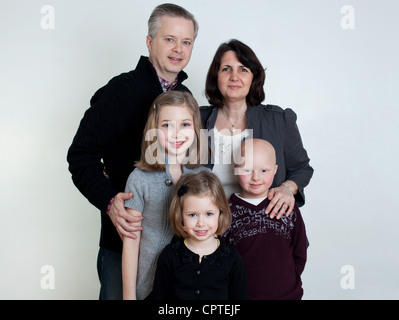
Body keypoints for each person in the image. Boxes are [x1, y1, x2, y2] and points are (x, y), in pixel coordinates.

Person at [66, 4, 199, 299]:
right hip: (123, 241)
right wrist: (110, 201)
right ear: (150, 42)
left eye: (186, 41)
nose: (178, 49)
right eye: (169, 39)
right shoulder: (120, 91)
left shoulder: (187, 99)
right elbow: (80, 156)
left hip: (178, 245)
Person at [200, 39, 313, 220]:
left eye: (243, 69)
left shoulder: (279, 120)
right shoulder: (195, 120)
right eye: (226, 69)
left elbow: (302, 168)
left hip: (264, 230)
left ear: (253, 77)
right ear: (216, 76)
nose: (234, 77)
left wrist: (287, 188)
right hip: (207, 231)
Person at [122, 91, 209, 300]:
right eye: (167, 125)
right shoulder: (139, 178)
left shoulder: (206, 176)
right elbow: (131, 241)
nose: (177, 134)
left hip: (195, 286)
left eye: (185, 125)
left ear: (196, 128)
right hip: (152, 288)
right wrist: (129, 296)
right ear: (154, 129)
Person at [223, 138, 307, 299]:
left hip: (287, 294)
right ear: (236, 169)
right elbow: (221, 258)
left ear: (275, 170)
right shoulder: (227, 212)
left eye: (263, 171)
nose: (256, 177)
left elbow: (300, 249)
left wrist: (291, 278)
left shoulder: (286, 206)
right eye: (247, 170)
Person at [151, 170, 248, 300]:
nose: (201, 223)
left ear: (220, 213)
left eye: (209, 214)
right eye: (192, 215)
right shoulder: (170, 255)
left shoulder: (232, 259)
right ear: (180, 216)